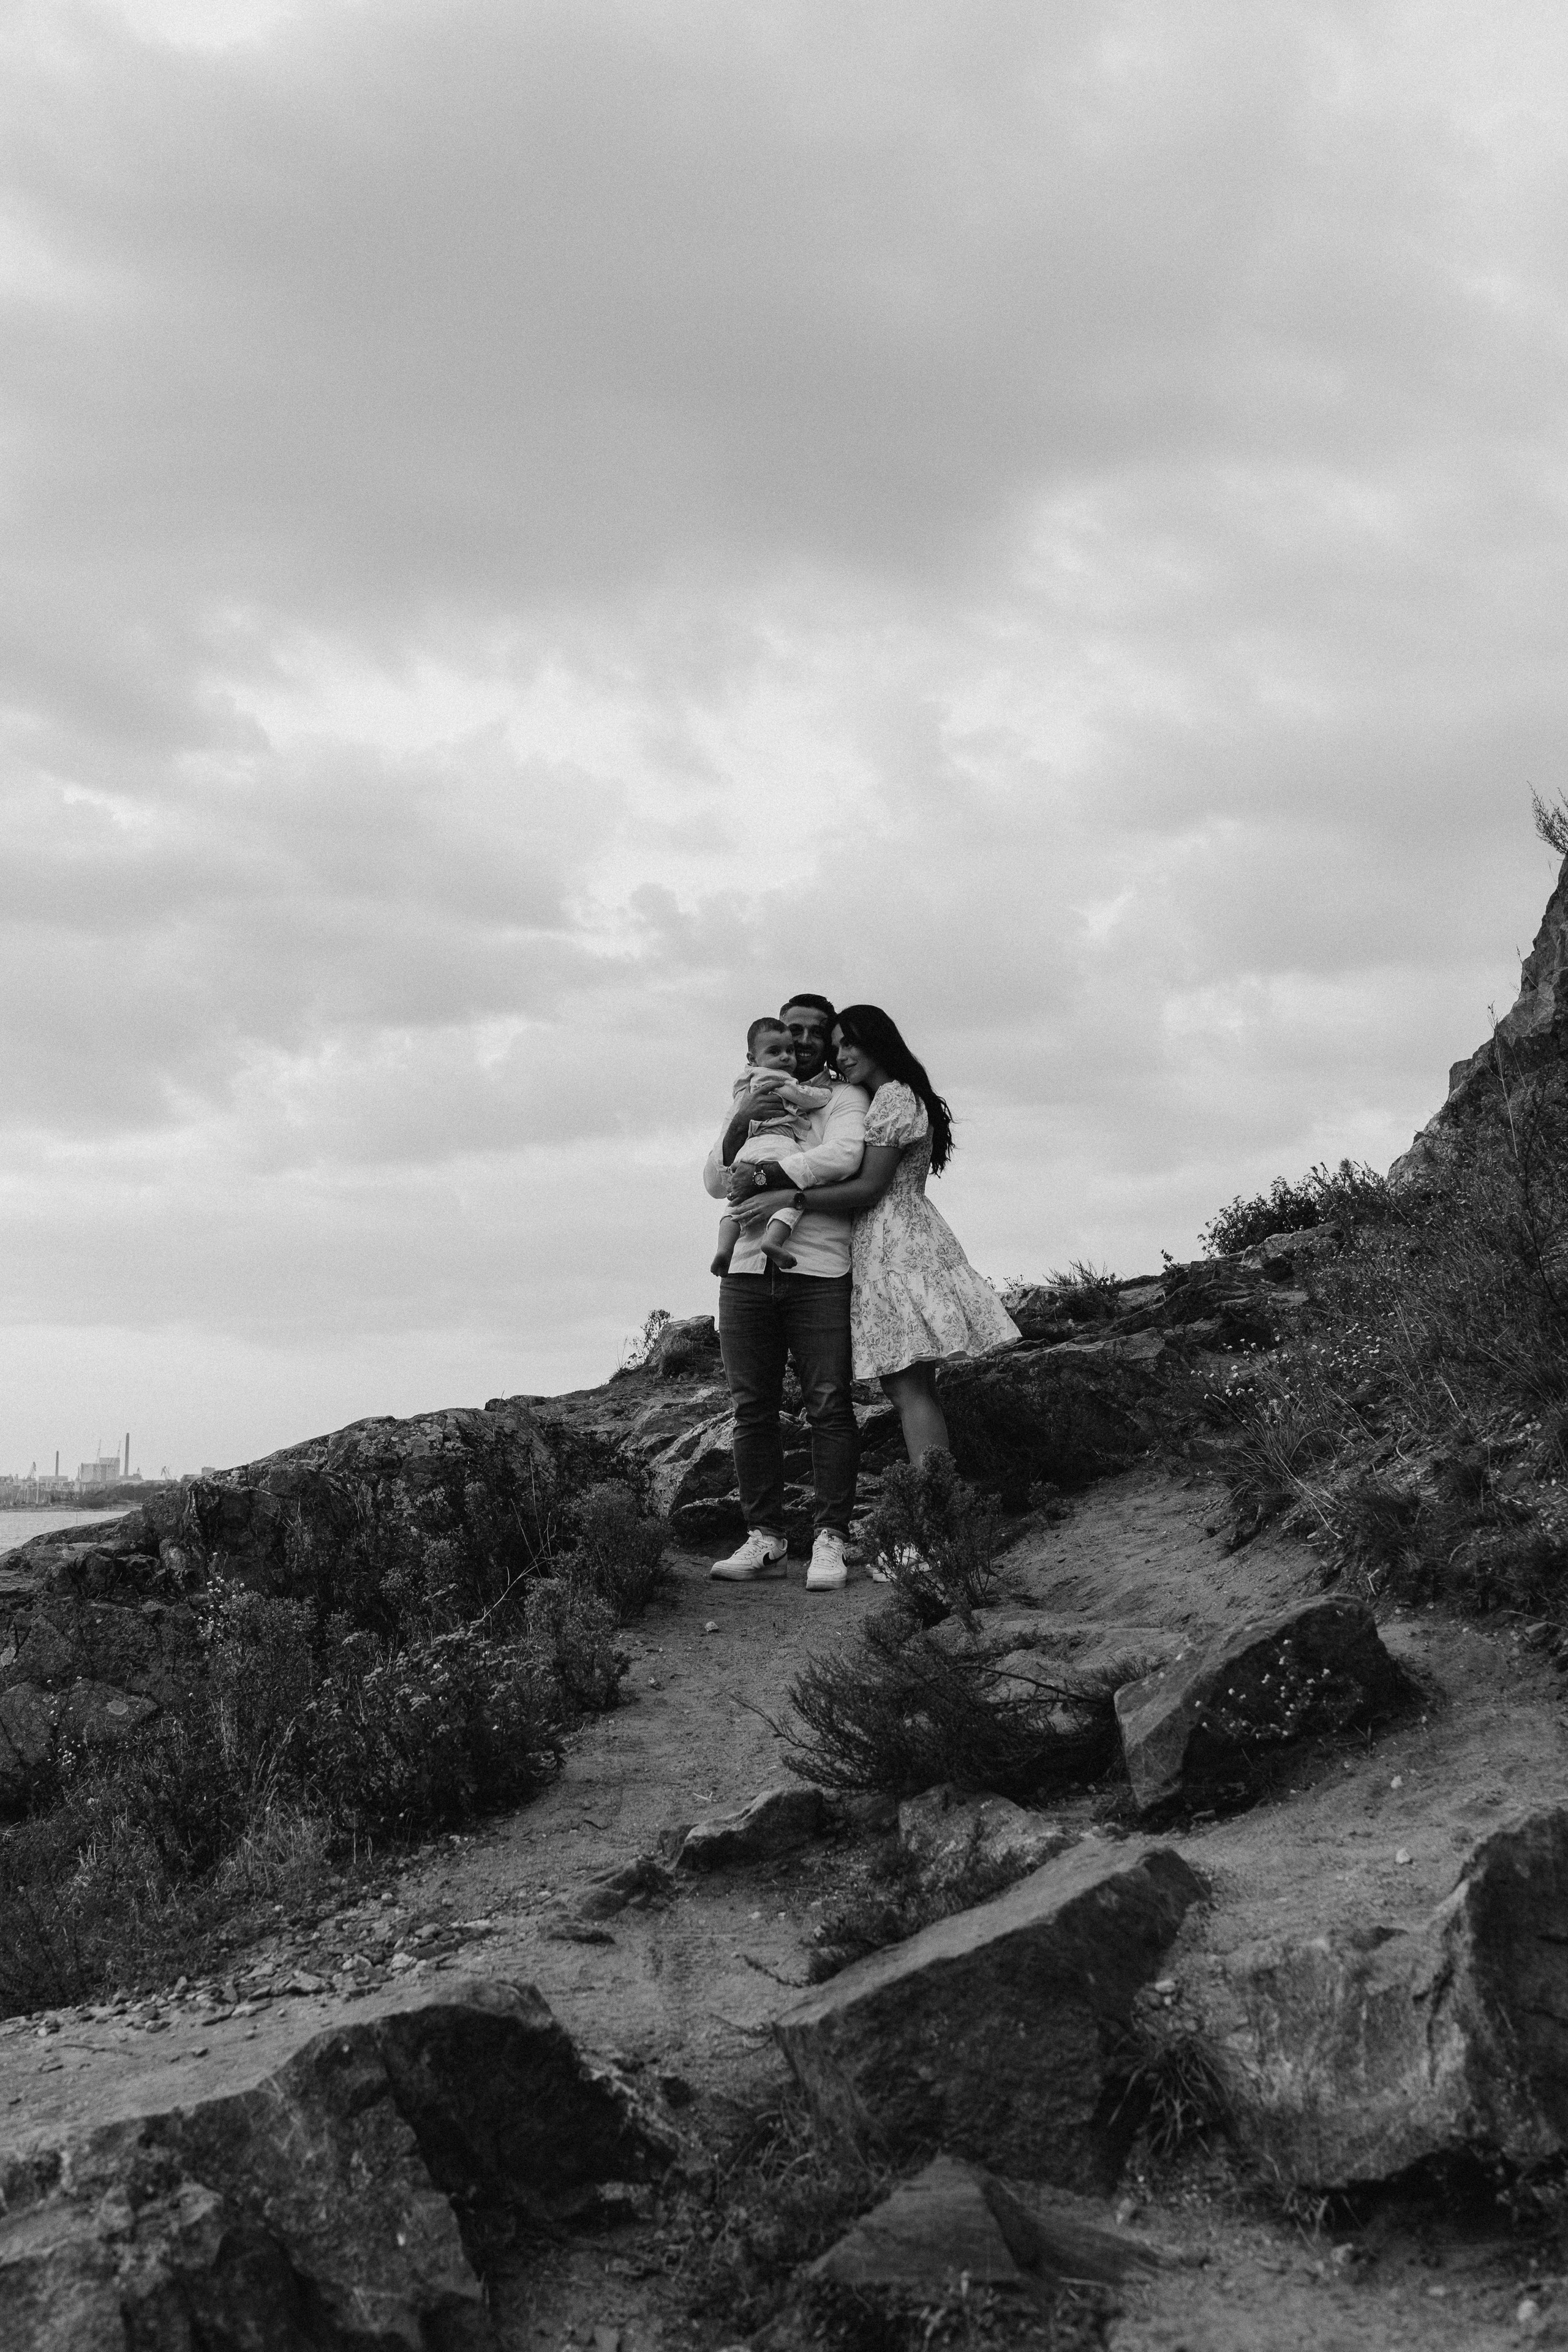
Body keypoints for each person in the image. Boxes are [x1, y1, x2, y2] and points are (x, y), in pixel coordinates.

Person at [801, 1005, 1019, 1469]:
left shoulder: (893, 1099)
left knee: (907, 1388)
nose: (841, 1055)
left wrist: (791, 1198)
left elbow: (871, 1187)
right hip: (902, 1239)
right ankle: (939, 1504)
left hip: (895, 1245)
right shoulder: (893, 1095)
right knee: (916, 1387)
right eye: (837, 1045)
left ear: (879, 1042)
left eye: (850, 1043)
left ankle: (934, 1512)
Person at [702, 994, 869, 1592]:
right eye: (789, 1030)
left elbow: (846, 1158)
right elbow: (714, 1179)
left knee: (828, 1403)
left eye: (812, 1033)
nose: (798, 1042)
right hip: (744, 1271)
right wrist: (744, 1115)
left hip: (819, 1269)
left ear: (827, 1041)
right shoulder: (751, 1092)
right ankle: (766, 1538)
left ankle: (830, 1539)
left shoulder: (844, 1099)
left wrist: (773, 1181)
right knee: (752, 1410)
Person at [711, 1018, 834, 1275]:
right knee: (792, 1197)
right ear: (752, 1058)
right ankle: (773, 1241)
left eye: (788, 1051)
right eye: (775, 1052)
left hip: (747, 1152)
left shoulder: (745, 1086)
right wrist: (824, 1093)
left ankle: (724, 1248)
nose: (787, 1057)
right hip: (778, 1146)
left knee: (736, 1202)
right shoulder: (777, 1080)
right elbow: (803, 1097)